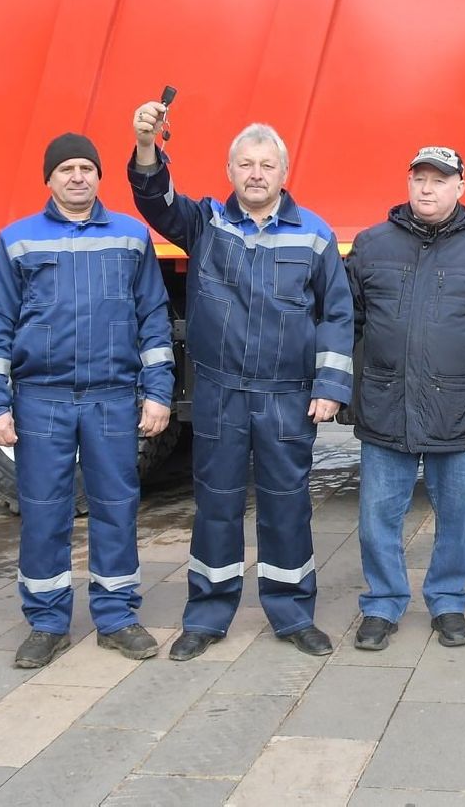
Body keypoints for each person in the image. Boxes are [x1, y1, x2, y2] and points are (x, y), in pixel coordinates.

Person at [128, 104, 353, 660]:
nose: (256, 174)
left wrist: (329, 384)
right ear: (230, 172)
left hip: (287, 393)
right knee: (217, 504)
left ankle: (293, 613)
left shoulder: (314, 236)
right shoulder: (206, 224)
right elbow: (155, 201)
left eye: (267, 165)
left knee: (287, 505)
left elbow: (338, 314)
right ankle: (206, 616)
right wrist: (146, 146)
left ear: (284, 173)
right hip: (221, 392)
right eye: (246, 164)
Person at [0, 133, 176, 669]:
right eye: (65, 168)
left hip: (112, 397)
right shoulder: (17, 241)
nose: (77, 177)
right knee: (45, 512)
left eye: (87, 167)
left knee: (116, 508)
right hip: (41, 398)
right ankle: (46, 622)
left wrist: (158, 393)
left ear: (99, 176)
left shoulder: (132, 238)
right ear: (49, 178)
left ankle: (116, 617)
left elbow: (153, 320)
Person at [346, 146, 465, 651]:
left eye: (439, 180)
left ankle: (447, 600)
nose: (427, 189)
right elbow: (346, 325)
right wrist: (345, 390)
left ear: (461, 187)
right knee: (378, 514)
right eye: (419, 178)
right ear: (408, 183)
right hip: (386, 406)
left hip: (459, 410)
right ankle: (382, 604)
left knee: (457, 515)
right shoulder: (372, 246)